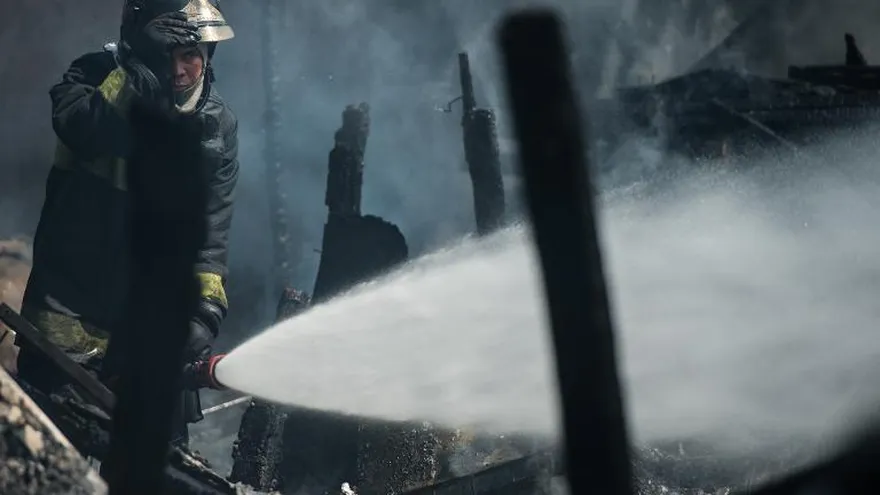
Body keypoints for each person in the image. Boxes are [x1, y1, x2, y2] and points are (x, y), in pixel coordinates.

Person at [15, 0, 239, 447]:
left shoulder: (216, 125)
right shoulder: (92, 78)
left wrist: (203, 314)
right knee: (52, 458)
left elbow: (209, 236)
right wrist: (137, 70)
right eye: (165, 55)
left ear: (209, 57)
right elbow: (84, 127)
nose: (177, 71)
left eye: (190, 56)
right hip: (70, 321)